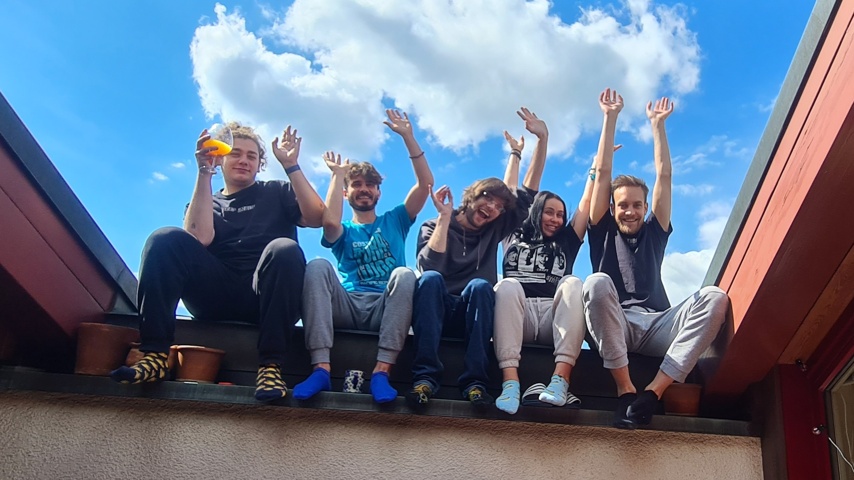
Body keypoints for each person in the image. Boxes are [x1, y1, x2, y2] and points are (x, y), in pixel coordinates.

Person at [111, 122, 325, 404]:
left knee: (284, 249)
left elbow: (316, 217)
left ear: (260, 164)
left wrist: (291, 165)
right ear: (221, 158)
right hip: (215, 296)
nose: (244, 160)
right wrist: (204, 172)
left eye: (252, 156)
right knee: (164, 238)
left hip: (266, 297)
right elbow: (199, 237)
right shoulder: (206, 201)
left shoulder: (277, 191)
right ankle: (154, 356)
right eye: (236, 153)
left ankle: (270, 367)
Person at [584, 88, 728, 428]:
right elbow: (602, 173)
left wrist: (658, 126)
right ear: (612, 208)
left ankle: (653, 392)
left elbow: (664, 176)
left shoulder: (655, 231)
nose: (630, 211)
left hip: (657, 324)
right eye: (623, 205)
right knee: (596, 282)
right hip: (616, 323)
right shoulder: (602, 229)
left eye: (637, 205)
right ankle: (625, 391)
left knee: (715, 297)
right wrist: (610, 118)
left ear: (645, 207)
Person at [408, 108, 546, 408]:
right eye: (488, 199)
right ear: (472, 196)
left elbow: (526, 192)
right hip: (435, 312)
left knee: (482, 286)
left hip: (473, 314)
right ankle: (424, 378)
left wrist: (540, 141)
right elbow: (429, 267)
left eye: (498, 207)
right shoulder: (434, 226)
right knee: (429, 280)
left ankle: (475, 383)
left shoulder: (493, 229)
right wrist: (444, 218)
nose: (493, 208)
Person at [293, 109, 434, 404]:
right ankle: (320, 368)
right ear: (346, 194)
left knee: (405, 274)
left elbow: (425, 185)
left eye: (370, 184)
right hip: (348, 304)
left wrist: (408, 137)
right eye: (356, 184)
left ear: (379, 193)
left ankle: (382, 372)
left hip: (385, 307)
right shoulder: (343, 229)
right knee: (317, 265)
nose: (364, 189)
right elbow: (329, 223)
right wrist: (337, 176)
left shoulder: (396, 220)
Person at [492, 117, 605, 413]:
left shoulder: (567, 239)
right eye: (549, 212)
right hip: (518, 316)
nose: (555, 219)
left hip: (553, 318)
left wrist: (596, 168)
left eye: (560, 214)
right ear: (536, 211)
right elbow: (510, 192)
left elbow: (586, 201)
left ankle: (560, 380)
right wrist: (520, 152)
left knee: (573, 282)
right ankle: (510, 383)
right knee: (506, 285)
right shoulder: (513, 232)